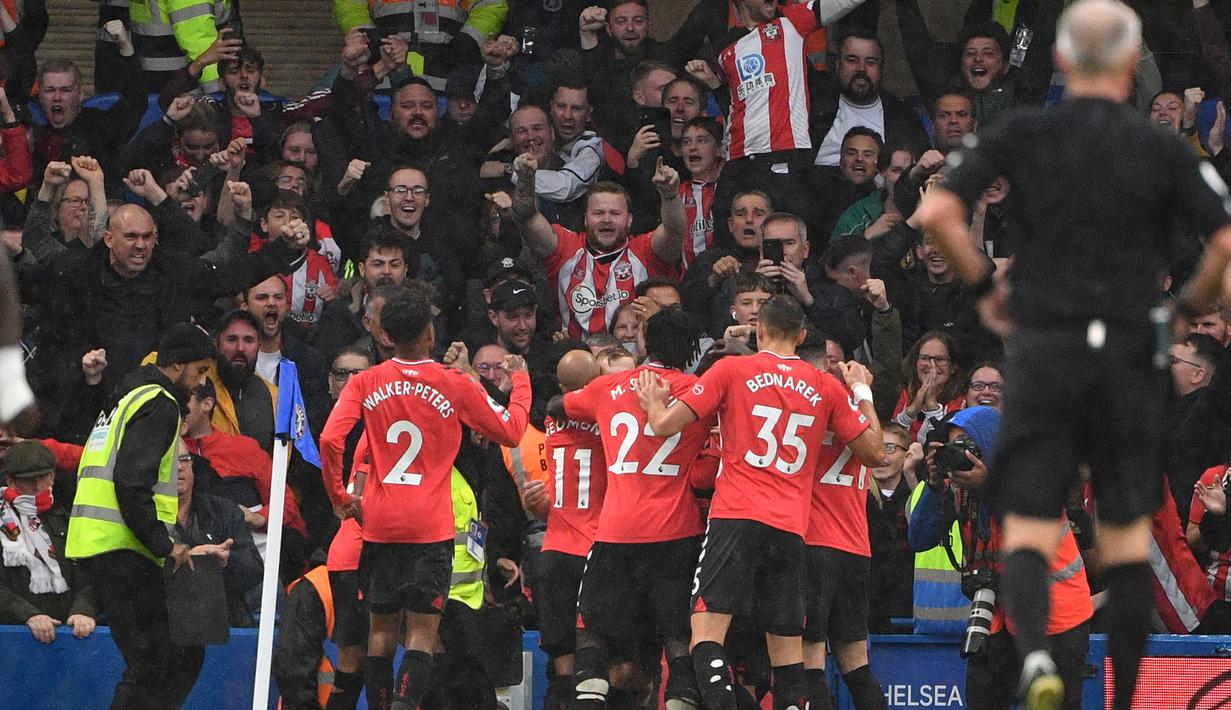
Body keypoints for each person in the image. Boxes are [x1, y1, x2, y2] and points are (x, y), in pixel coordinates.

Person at [913, 2, 1231, 706]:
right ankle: (1114, 696)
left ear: (1057, 59)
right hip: (1119, 349)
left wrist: (982, 288)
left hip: (1048, 343)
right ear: (1127, 65)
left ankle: (1031, 658)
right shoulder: (1160, 147)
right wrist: (1179, 309)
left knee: (1027, 518)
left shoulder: (1023, 130)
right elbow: (1224, 241)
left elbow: (936, 211)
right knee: (1121, 528)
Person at [636, 295, 883, 710]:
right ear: (802, 335)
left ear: (760, 331)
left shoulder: (732, 368)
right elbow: (875, 453)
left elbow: (663, 427)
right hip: (792, 528)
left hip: (736, 516)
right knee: (788, 658)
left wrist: (652, 403)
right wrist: (862, 392)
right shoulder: (825, 386)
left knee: (706, 635)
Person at [319, 287, 531, 710]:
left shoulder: (365, 381)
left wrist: (340, 495)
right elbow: (509, 430)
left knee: (379, 634)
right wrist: (521, 380)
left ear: (385, 334)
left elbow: (329, 438)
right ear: (430, 334)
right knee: (421, 633)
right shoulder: (450, 382)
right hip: (430, 525)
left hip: (379, 523)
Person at [549, 307, 710, 709]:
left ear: (644, 342)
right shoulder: (700, 392)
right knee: (676, 634)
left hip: (617, 531)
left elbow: (559, 405)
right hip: (678, 531)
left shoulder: (609, 388)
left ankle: (588, 697)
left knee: (590, 627)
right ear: (691, 350)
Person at [64, 322, 214, 710]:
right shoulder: (159, 403)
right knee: (164, 658)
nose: (200, 382)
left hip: (101, 543)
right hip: (126, 547)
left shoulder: (125, 397)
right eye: (199, 370)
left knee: (162, 659)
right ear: (177, 365)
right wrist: (165, 545)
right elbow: (132, 482)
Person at [908, 406, 1092, 710]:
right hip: (996, 613)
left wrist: (986, 485)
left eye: (968, 447)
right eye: (955, 447)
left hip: (1056, 616)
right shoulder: (960, 489)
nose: (961, 456)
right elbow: (920, 538)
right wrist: (934, 485)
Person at [511, 152, 684, 339]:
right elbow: (527, 217)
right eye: (599, 213)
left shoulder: (644, 251)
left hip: (635, 357)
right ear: (585, 219)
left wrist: (670, 195)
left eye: (615, 213)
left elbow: (674, 231)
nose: (607, 220)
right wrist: (526, 182)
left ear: (629, 220)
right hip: (581, 359)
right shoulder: (565, 249)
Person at [523, 348, 606, 710]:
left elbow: (559, 402)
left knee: (562, 664)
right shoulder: (610, 419)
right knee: (604, 660)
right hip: (598, 551)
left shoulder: (554, 420)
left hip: (555, 551)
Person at [0, 441, 96, 645]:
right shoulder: (2, 521)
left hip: (67, 635)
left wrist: (83, 610)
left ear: (52, 477)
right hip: (11, 637)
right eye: (28, 480)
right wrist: (28, 615)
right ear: (10, 480)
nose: (36, 486)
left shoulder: (69, 521)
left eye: (42, 477)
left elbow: (90, 575)